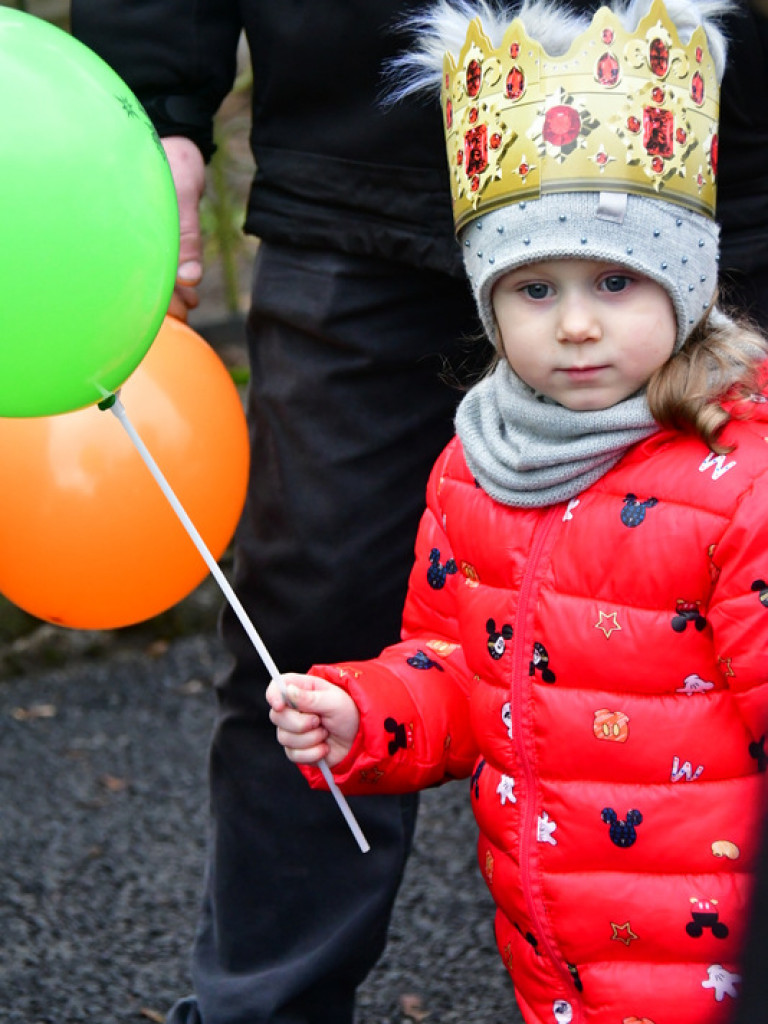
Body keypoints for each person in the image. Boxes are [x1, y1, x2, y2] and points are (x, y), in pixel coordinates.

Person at [68, 1, 767, 1022]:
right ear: (494, 308)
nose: (576, 325)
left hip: (709, 955)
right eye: (536, 294)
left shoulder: (741, 485)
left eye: (615, 283)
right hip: (350, 160)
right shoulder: (471, 473)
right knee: (307, 608)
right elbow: (463, 666)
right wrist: (365, 713)